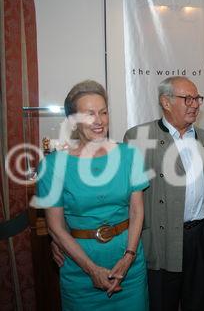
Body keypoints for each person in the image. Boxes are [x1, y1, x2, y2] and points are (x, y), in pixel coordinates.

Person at [35, 80, 149, 310]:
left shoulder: (129, 155)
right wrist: (91, 270)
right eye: (89, 114)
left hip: (129, 266)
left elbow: (137, 210)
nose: (99, 121)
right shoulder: (52, 165)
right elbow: (55, 226)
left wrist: (129, 257)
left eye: (103, 112)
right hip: (79, 270)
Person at [123, 76, 204, 311]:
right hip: (161, 240)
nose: (195, 104)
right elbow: (126, 197)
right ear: (165, 102)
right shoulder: (137, 139)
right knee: (161, 304)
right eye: (187, 98)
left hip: (200, 238)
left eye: (197, 98)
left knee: (198, 304)